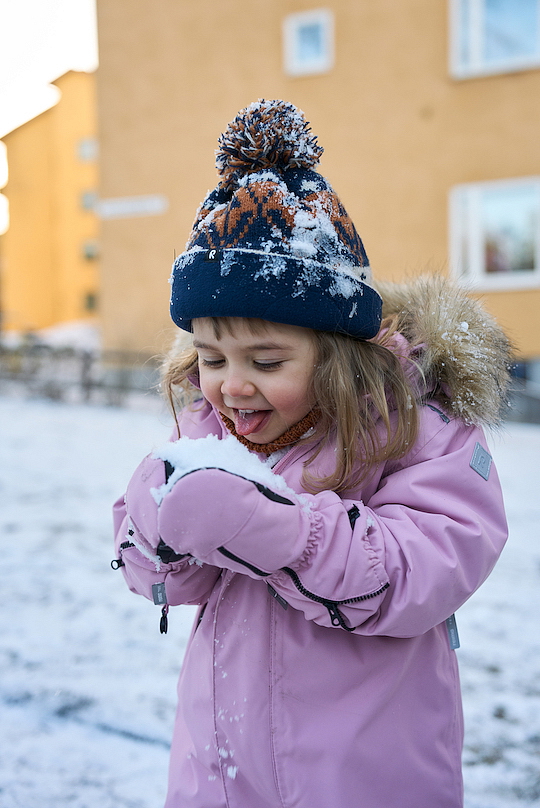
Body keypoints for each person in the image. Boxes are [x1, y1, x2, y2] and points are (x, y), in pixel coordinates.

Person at [112, 100, 511, 808]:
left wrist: (284, 532)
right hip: (222, 775)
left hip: (365, 778)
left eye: (266, 361)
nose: (232, 386)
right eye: (209, 358)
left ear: (333, 354)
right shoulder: (209, 431)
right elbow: (164, 583)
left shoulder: (414, 427)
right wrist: (154, 517)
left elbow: (429, 568)